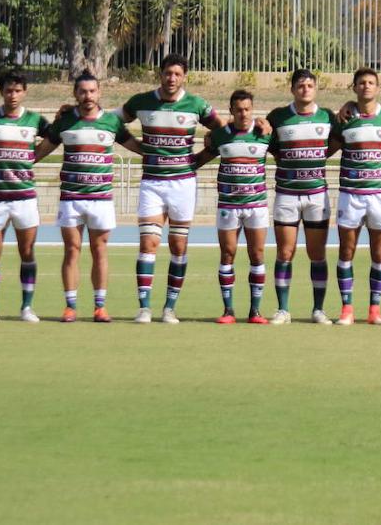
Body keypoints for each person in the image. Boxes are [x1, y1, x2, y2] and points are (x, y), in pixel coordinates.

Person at [120, 54, 223, 323]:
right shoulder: (141, 102)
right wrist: (137, 147)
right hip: (152, 182)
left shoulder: (197, 104)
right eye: (168, 73)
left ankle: (169, 308)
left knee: (178, 245)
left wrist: (202, 156)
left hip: (183, 184)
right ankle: (144, 307)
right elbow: (110, 123)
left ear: (184, 76)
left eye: (177, 74)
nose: (172, 78)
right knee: (148, 242)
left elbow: (223, 130)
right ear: (160, 74)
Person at [35, 72, 143, 321]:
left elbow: (135, 146)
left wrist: (161, 153)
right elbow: (42, 150)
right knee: (72, 250)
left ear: (99, 92)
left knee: (99, 250)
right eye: (82, 91)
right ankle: (70, 306)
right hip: (71, 198)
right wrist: (17, 163)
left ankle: (100, 306)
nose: (88, 96)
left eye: (92, 91)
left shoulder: (111, 122)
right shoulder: (64, 122)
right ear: (75, 94)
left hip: (101, 198)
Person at [0, 72, 53, 323]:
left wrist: (36, 155)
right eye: (8, 90)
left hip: (24, 197)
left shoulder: (35, 120)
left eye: (17, 90)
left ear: (24, 92)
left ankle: (27, 307)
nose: (12, 95)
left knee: (27, 252)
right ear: (1, 92)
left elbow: (55, 135)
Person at [331, 68, 381, 325]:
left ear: (378, 88)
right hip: (351, 195)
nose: (366, 86)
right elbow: (325, 149)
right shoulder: (343, 118)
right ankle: (347, 309)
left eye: (371, 83)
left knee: (379, 253)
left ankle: (375, 310)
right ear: (354, 88)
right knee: (347, 251)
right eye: (361, 83)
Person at [265, 68, 342, 325]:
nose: (305, 89)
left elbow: (335, 143)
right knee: (285, 253)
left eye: (309, 85)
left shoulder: (327, 117)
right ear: (292, 89)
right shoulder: (278, 116)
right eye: (300, 85)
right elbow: (271, 146)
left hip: (316, 195)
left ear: (316, 88)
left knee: (317, 253)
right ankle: (283, 310)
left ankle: (318, 309)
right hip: (287, 194)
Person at [192, 89, 271, 324]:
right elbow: (202, 157)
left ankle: (255, 311)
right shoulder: (220, 135)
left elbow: (284, 153)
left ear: (252, 109)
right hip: (229, 205)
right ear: (231, 111)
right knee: (228, 254)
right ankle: (228, 310)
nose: (243, 114)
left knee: (256, 255)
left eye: (247, 109)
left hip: (256, 205)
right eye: (238, 110)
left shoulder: (264, 134)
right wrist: (178, 166)